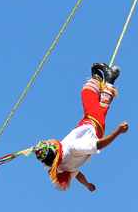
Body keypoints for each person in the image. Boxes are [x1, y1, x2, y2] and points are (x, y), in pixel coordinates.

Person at [31, 62, 129, 192]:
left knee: (102, 105)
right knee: (87, 94)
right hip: (93, 122)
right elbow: (98, 145)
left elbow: (77, 174)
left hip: (88, 125)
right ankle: (104, 78)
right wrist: (118, 131)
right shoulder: (73, 147)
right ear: (55, 151)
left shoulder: (61, 166)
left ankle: (109, 80)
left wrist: (87, 185)